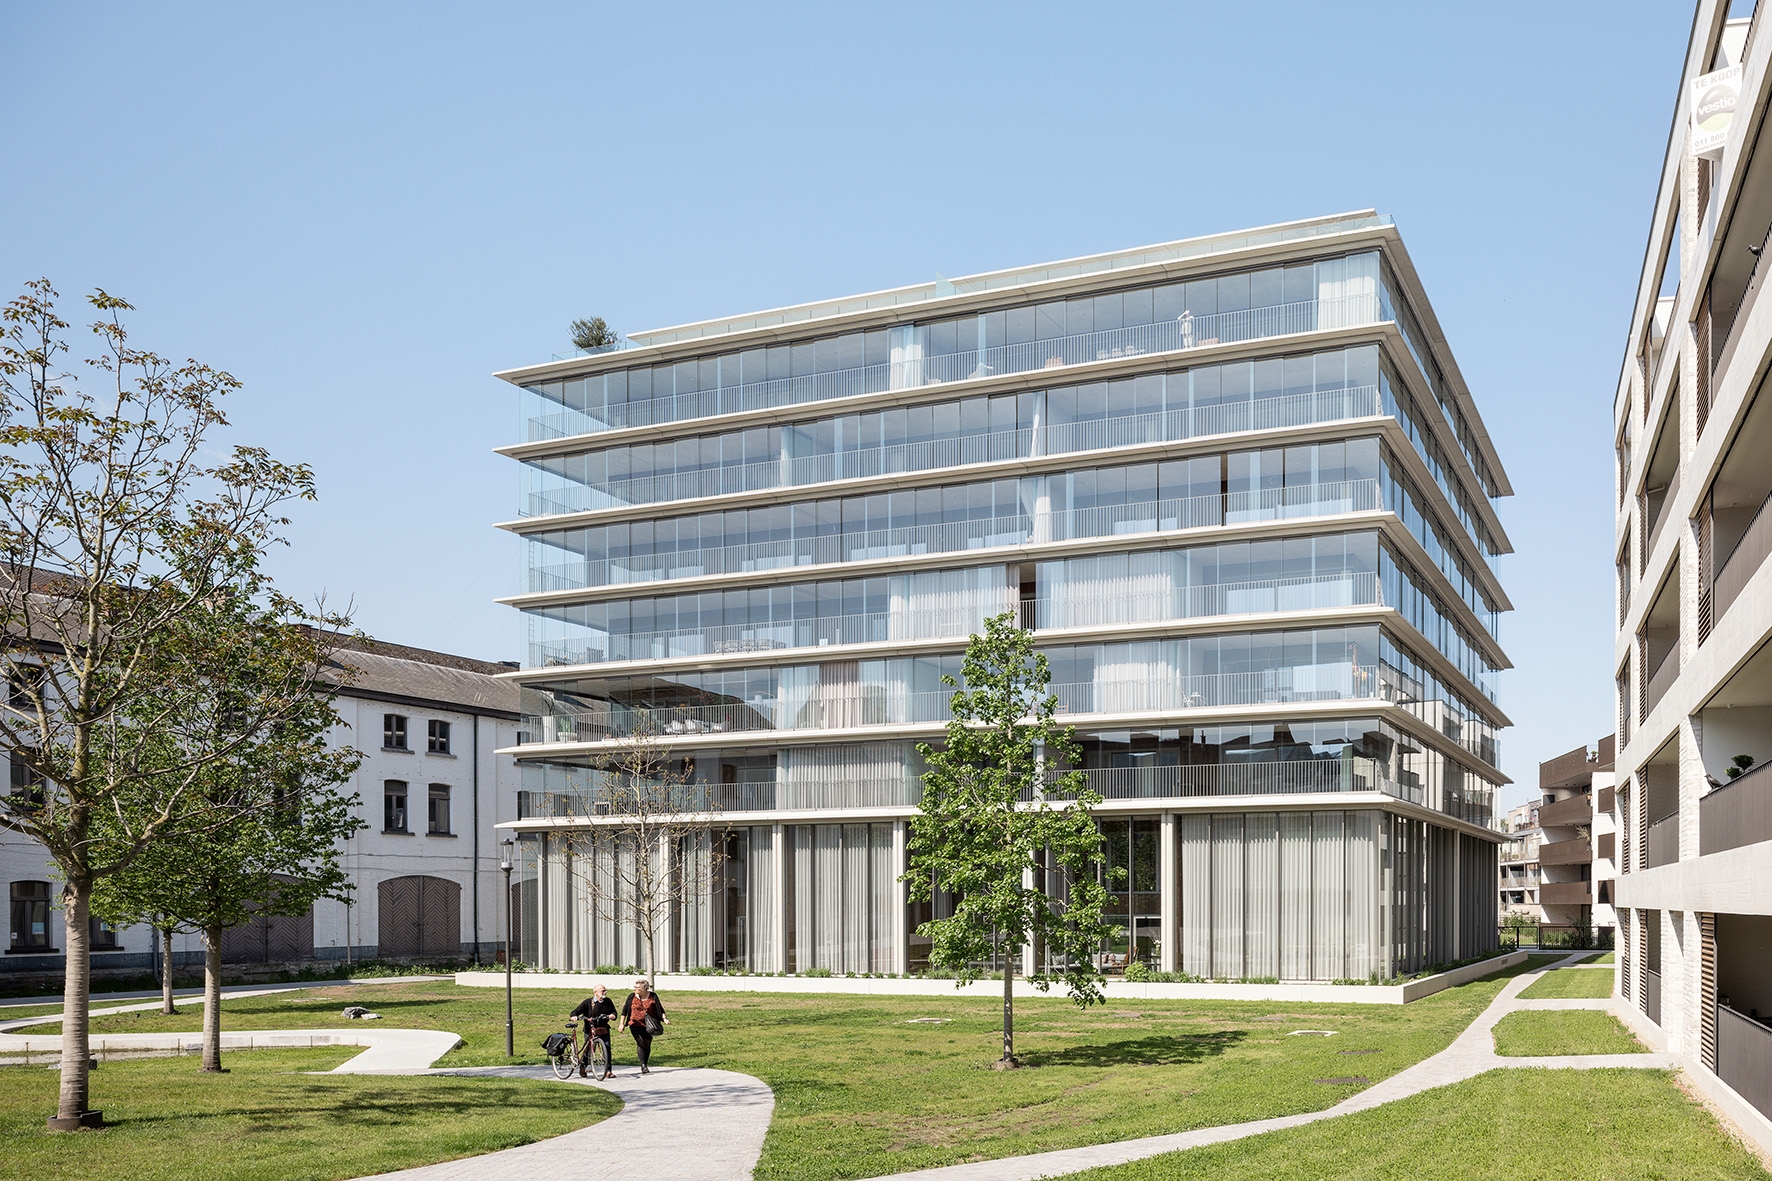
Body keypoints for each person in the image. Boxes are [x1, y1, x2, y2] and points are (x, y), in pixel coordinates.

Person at [567, 984, 619, 1078]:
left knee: (607, 1049)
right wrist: (574, 1016)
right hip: (590, 1029)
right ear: (595, 992)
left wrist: (612, 1015)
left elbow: (614, 1012)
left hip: (603, 1029)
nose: (605, 992)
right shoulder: (587, 1002)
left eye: (605, 990)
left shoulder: (608, 1001)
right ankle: (583, 1066)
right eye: (603, 991)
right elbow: (576, 1011)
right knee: (589, 1050)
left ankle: (608, 1071)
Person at [619, 977, 668, 1074]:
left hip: (649, 1025)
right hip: (634, 1023)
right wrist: (621, 1024)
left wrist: (664, 1018)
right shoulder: (631, 996)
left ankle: (645, 1063)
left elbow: (660, 1009)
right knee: (640, 1042)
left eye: (638, 988)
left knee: (647, 1044)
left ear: (644, 989)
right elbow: (624, 1011)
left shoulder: (653, 996)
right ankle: (643, 1065)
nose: (635, 989)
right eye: (635, 987)